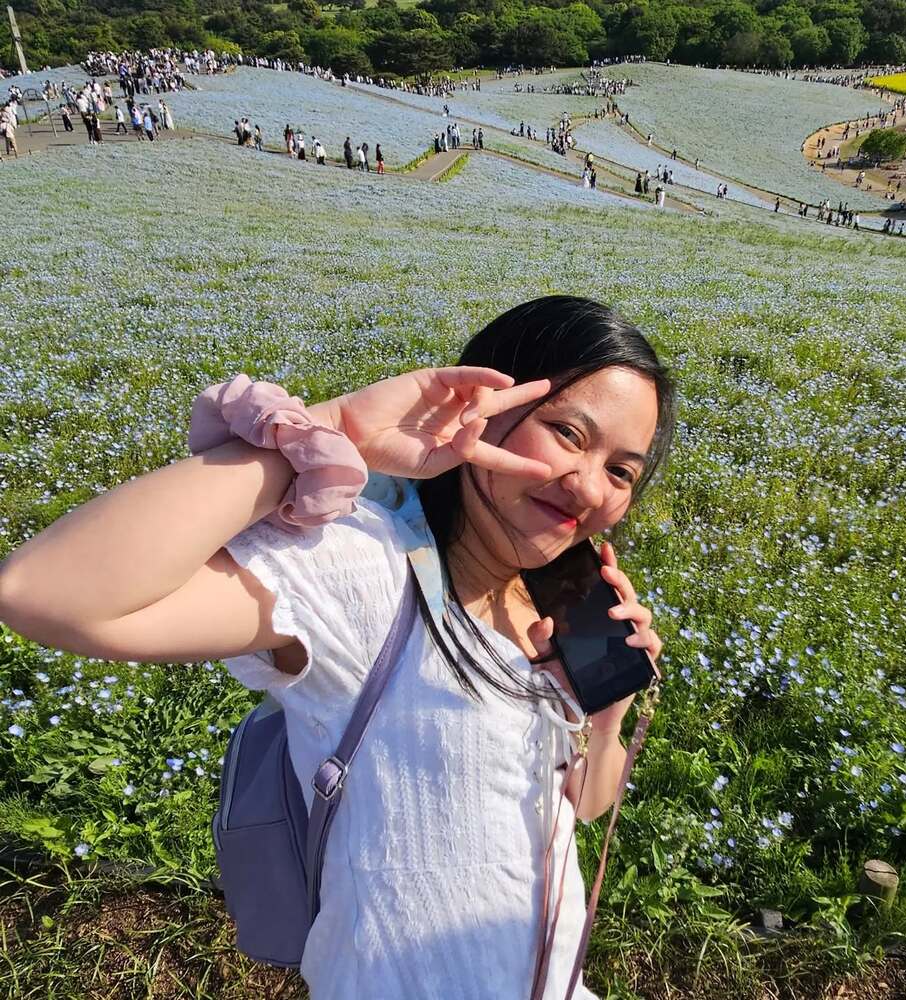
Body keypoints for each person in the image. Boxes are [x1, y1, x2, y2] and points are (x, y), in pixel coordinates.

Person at [0, 296, 674, 1000]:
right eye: (568, 433)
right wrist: (337, 430)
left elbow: (583, 805)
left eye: (622, 471)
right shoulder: (365, 571)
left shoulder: (550, 612)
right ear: (487, 405)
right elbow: (44, 592)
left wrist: (605, 713)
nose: (589, 486)